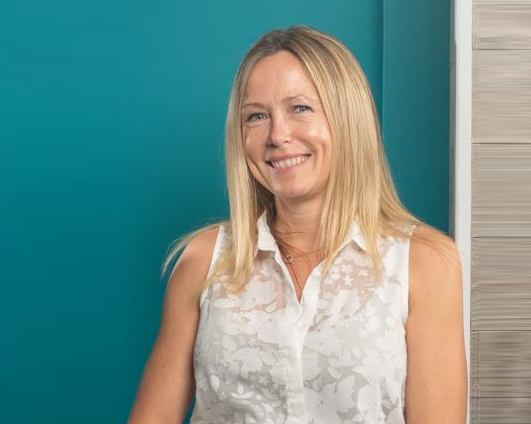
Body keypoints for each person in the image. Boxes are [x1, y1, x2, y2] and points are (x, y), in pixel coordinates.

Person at [127, 25, 467, 424]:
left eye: (300, 108)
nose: (277, 135)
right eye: (256, 116)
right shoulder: (203, 261)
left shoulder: (425, 265)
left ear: (347, 118)